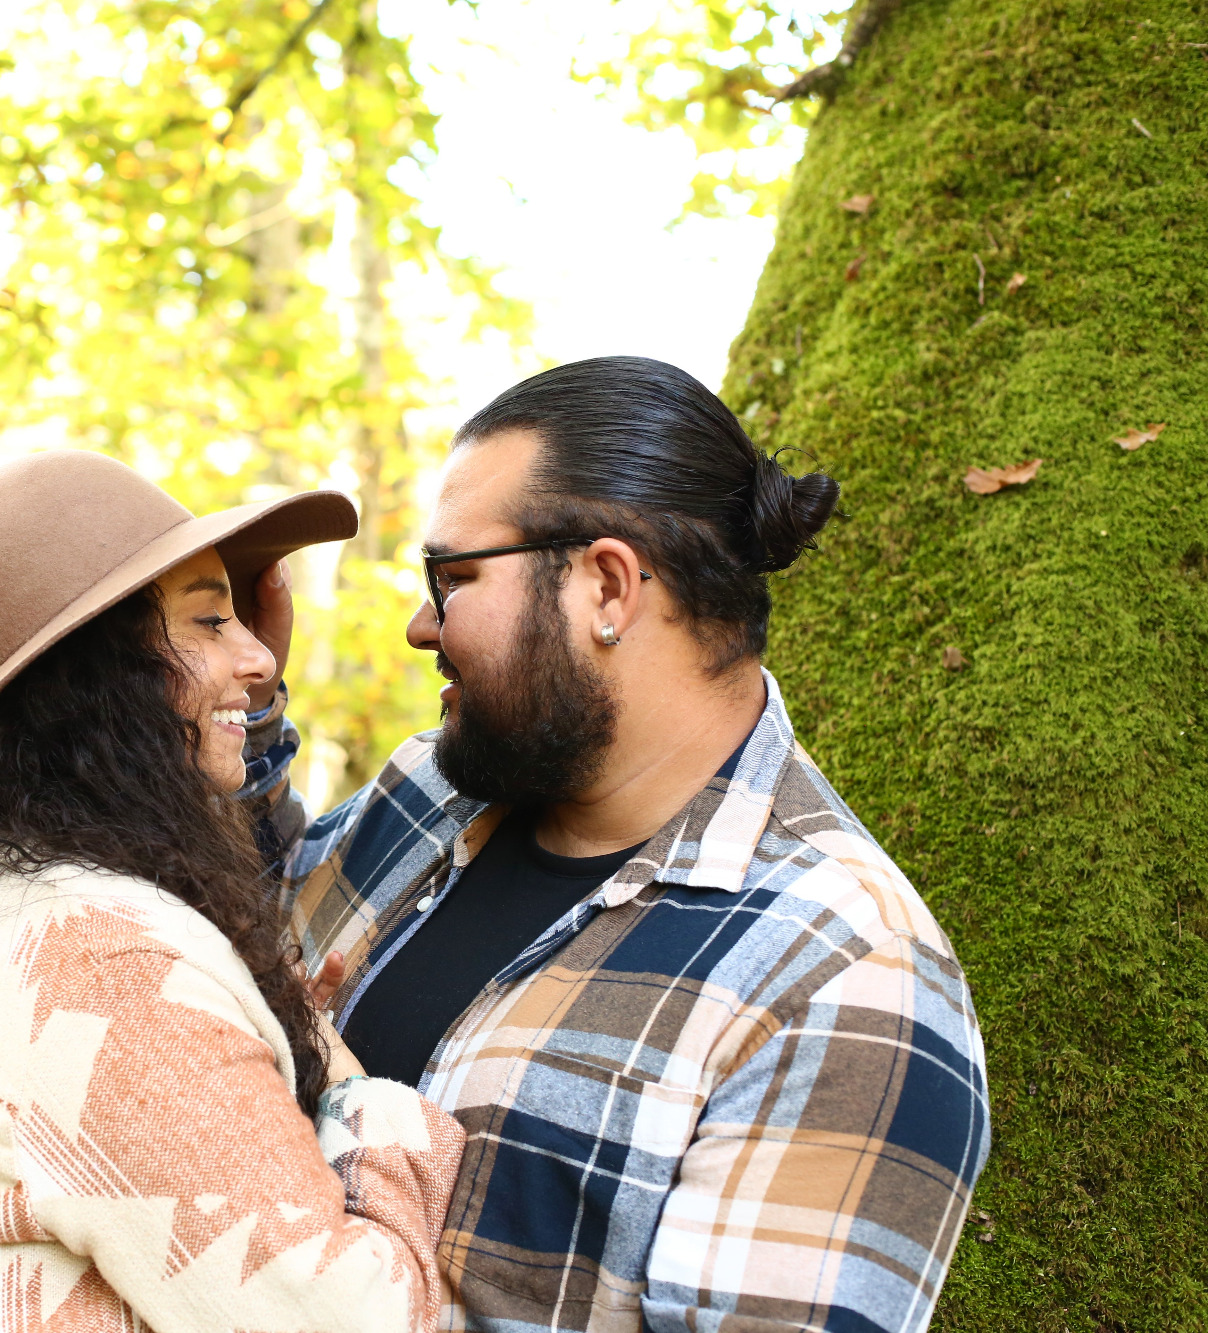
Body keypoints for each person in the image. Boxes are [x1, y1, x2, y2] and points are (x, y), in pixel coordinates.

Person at [241, 356, 992, 1333]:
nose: (421, 625)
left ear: (606, 586)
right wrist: (232, 697)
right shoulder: (434, 784)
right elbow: (238, 922)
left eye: (451, 577)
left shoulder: (846, 980)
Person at [0, 449, 467, 1333]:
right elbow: (356, 1321)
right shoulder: (101, 967)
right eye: (209, 620)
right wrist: (361, 1093)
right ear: (96, 677)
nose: (257, 655)